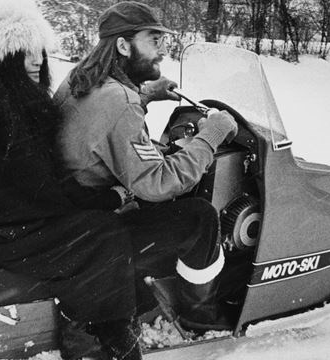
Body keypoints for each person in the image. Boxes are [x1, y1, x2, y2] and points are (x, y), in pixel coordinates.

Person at [0, 1, 147, 359]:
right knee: (102, 235)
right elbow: (37, 192)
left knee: (91, 225)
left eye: (41, 53)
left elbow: (18, 180)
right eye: (26, 53)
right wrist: (109, 199)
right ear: (3, 53)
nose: (37, 62)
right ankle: (94, 341)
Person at [54, 0, 238, 343]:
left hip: (73, 215)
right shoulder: (119, 103)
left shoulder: (79, 80)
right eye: (154, 41)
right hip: (94, 232)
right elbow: (158, 183)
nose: (162, 51)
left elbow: (107, 117)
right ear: (123, 46)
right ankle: (199, 314)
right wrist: (211, 135)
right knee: (199, 218)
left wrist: (147, 93)